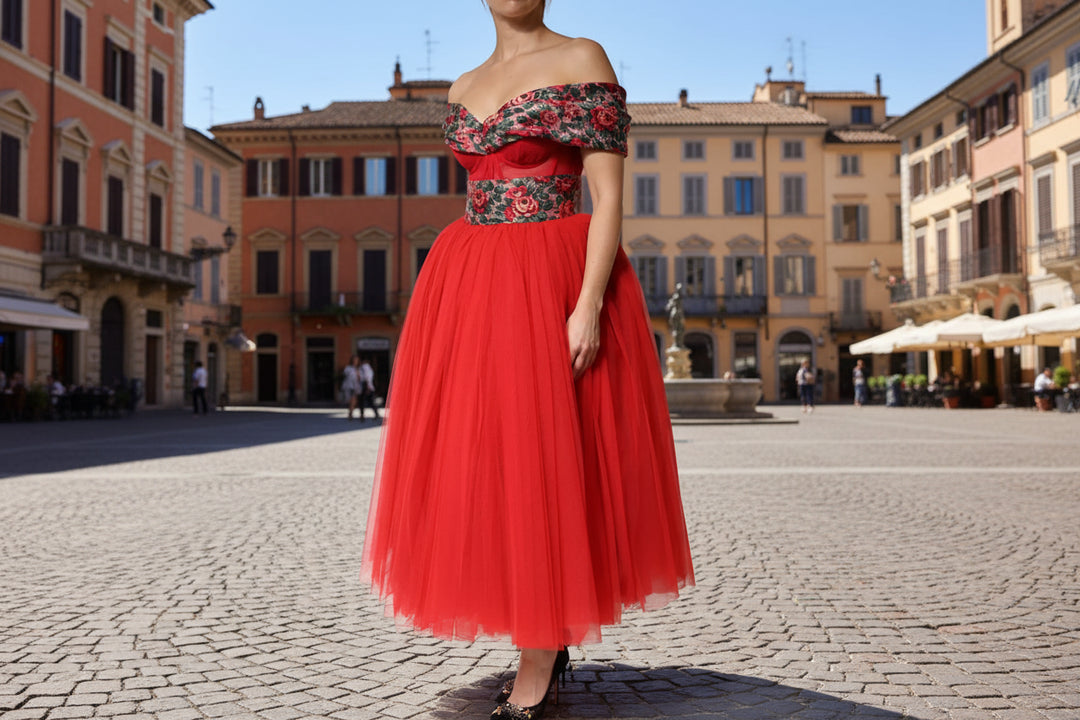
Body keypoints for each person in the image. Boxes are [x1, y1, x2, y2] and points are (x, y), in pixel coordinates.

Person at [360, 3, 694, 718]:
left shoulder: (582, 57)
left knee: (550, 458)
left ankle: (539, 655)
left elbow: (608, 198)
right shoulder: (461, 85)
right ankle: (536, 625)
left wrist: (587, 302)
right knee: (491, 458)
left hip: (554, 271)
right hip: (473, 277)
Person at [357, 357, 380, 422]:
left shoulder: (365, 367)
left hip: (366, 386)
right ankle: (375, 414)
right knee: (370, 401)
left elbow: (366, 377)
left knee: (363, 401)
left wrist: (367, 387)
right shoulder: (369, 368)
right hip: (368, 386)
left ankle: (363, 415)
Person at [342, 355, 362, 420]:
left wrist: (358, 374)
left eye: (356, 360)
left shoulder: (359, 369)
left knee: (354, 400)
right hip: (348, 386)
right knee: (350, 400)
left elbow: (361, 378)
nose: (355, 361)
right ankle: (350, 411)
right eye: (354, 360)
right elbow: (345, 375)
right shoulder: (348, 368)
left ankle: (350, 413)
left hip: (356, 386)